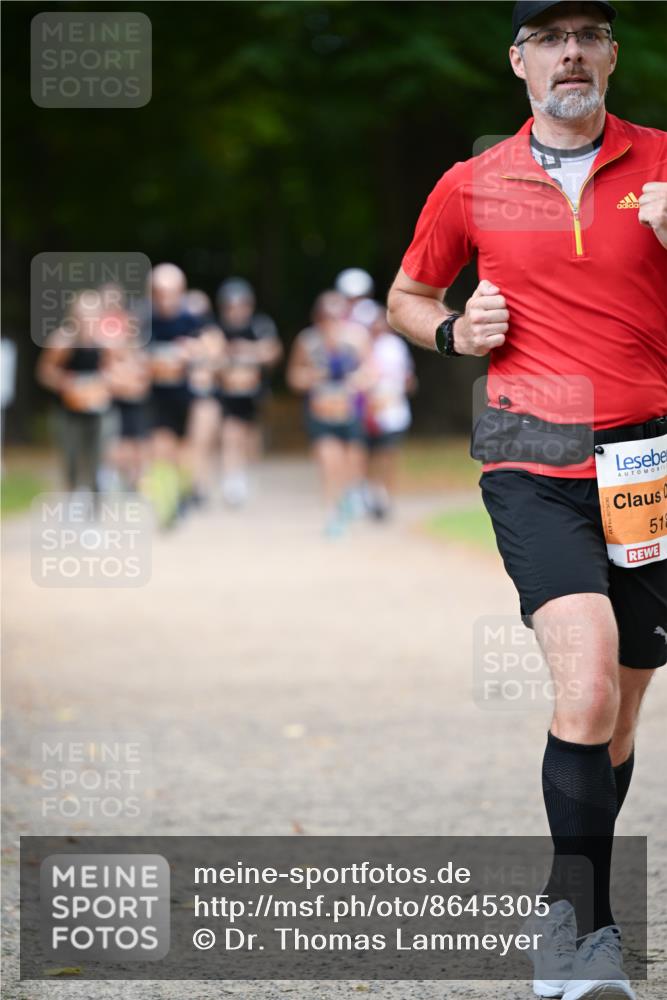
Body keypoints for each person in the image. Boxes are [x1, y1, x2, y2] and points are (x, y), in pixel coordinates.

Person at [386, 3, 667, 999]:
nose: (572, 53)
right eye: (551, 38)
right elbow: (408, 296)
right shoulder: (472, 182)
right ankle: (583, 939)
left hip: (649, 463)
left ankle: (564, 896)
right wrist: (454, 333)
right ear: (519, 61)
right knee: (584, 685)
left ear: (613, 56)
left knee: (620, 713)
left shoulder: (666, 164)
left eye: (590, 34)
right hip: (528, 447)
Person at [287, 290, 372, 537]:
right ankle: (333, 513)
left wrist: (358, 381)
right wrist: (312, 378)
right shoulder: (307, 341)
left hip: (350, 412)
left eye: (336, 317)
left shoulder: (357, 339)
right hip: (321, 413)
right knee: (329, 462)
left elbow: (370, 372)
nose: (331, 323)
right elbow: (294, 376)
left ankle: (350, 496)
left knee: (351, 464)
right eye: (326, 317)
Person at [36, 290, 112, 497]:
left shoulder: (107, 342)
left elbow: (122, 369)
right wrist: (65, 382)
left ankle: (96, 502)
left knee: (99, 456)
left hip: (99, 410)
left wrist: (106, 380)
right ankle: (73, 498)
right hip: (68, 411)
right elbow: (44, 372)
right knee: (70, 458)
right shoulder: (63, 340)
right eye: (83, 314)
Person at [215, 278, 282, 507]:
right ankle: (233, 479)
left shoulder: (260, 325)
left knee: (251, 436)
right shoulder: (218, 328)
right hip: (226, 393)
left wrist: (247, 350)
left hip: (254, 392)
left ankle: (248, 474)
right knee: (230, 433)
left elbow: (273, 351)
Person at [363, 304, 416, 520]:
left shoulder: (394, 346)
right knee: (367, 455)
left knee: (388, 454)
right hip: (366, 410)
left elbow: (407, 379)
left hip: (391, 410)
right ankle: (370, 493)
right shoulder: (359, 344)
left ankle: (385, 496)